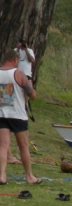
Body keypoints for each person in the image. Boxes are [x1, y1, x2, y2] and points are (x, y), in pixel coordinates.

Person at [0, 49, 39, 185]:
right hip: (17, 115)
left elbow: (4, 94)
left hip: (2, 114)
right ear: (15, 60)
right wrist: (31, 88)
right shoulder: (18, 74)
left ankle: (2, 175)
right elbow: (32, 95)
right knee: (23, 146)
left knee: (3, 146)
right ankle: (29, 176)